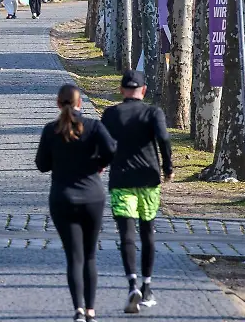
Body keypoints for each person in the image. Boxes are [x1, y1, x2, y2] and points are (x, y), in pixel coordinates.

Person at [36, 84, 117, 322]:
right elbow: (112, 149)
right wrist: (98, 164)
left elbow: (42, 164)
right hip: (92, 195)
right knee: (90, 255)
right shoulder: (93, 126)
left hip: (63, 197)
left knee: (74, 256)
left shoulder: (51, 130)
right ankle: (91, 309)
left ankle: (78, 310)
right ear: (80, 103)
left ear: (58, 103)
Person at [100, 70, 174, 314]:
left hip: (121, 180)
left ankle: (132, 284)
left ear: (121, 91)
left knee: (126, 234)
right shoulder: (153, 112)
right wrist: (168, 167)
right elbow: (163, 139)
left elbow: (103, 144)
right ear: (143, 90)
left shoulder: (110, 114)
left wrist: (100, 164)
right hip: (148, 180)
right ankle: (148, 285)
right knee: (147, 231)